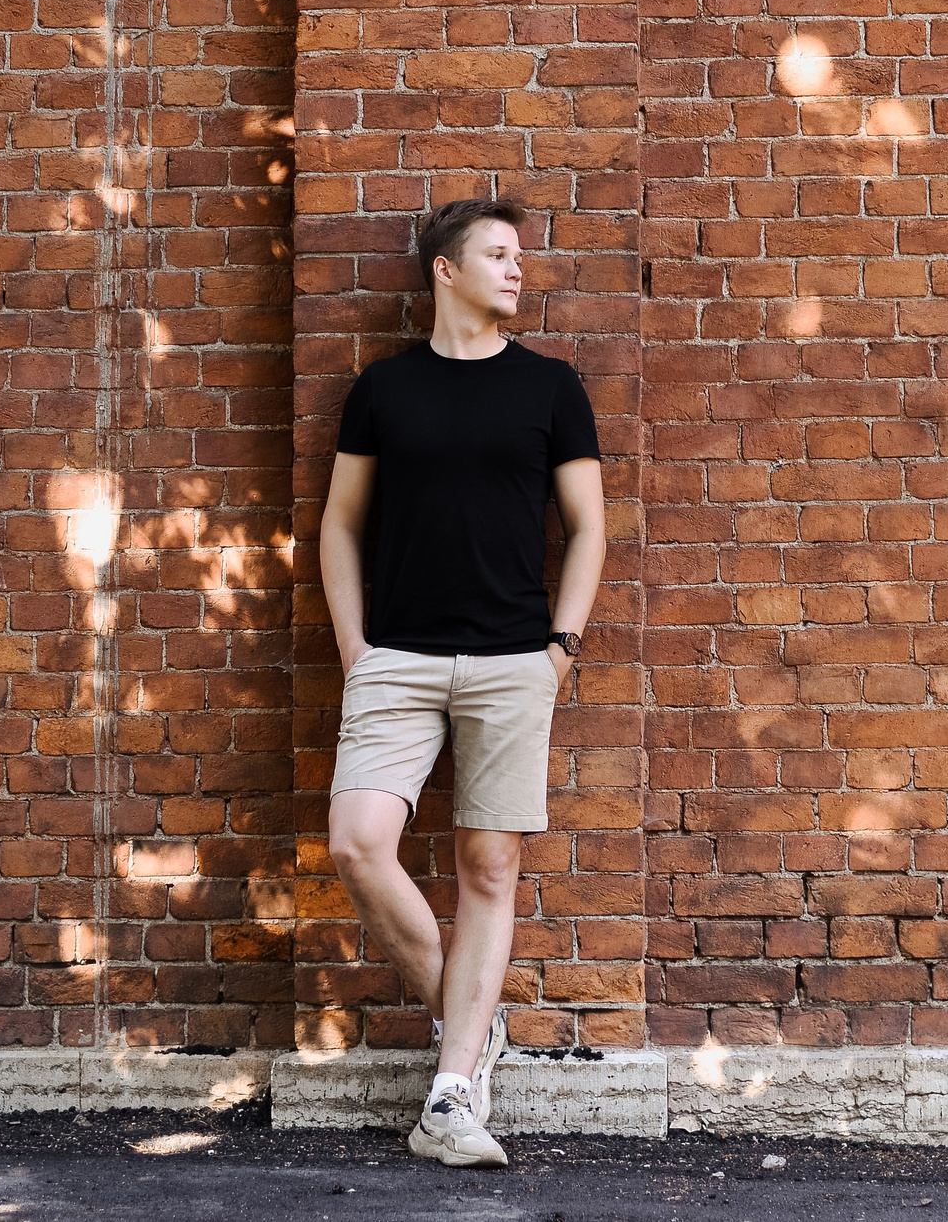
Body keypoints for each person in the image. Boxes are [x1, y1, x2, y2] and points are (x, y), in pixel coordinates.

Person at [319, 197, 606, 1169]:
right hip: (395, 657)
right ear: (445, 269)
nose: (516, 268)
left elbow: (589, 528)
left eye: (518, 254)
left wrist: (558, 649)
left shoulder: (551, 387)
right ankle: (472, 1028)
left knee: (488, 867)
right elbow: (339, 524)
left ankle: (450, 1094)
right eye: (497, 253)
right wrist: (357, 648)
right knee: (359, 842)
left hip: (511, 658)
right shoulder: (383, 389)